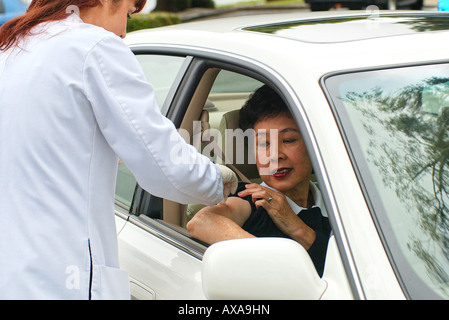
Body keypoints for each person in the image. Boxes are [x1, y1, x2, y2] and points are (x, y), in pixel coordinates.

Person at [0, 0, 238, 299]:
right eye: (127, 12)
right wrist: (222, 180)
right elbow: (165, 166)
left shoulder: (15, 48)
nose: (125, 32)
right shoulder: (93, 47)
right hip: (61, 278)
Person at [187, 85, 331, 277]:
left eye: (288, 140)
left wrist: (296, 227)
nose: (275, 155)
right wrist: (268, 260)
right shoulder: (250, 198)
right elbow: (201, 222)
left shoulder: (338, 203)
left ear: (313, 144)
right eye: (263, 144)